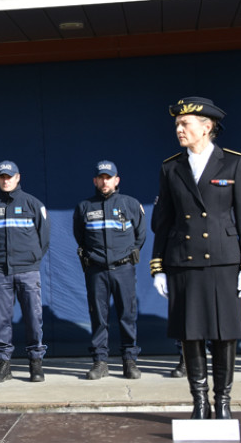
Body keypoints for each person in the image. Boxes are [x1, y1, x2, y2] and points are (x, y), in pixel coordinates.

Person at [150, 96, 241, 420]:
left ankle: (223, 402)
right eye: (177, 125)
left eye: (185, 124)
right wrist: (158, 266)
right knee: (191, 333)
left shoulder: (232, 163)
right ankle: (200, 403)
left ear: (206, 127)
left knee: (226, 333)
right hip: (183, 261)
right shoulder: (171, 167)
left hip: (225, 261)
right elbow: (163, 221)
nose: (179, 130)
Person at [0, 160, 50, 383]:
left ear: (18, 177)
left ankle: (35, 365)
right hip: (1, 271)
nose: (5, 180)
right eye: (2, 177)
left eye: (9, 176)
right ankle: (3, 365)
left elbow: (44, 238)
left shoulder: (33, 204)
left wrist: (32, 260)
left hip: (28, 271)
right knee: (1, 320)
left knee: (33, 318)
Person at [73, 160, 146, 380]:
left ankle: (129, 361)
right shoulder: (84, 207)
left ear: (117, 180)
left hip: (123, 269)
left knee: (127, 316)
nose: (105, 182)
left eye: (109, 177)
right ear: (95, 180)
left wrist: (127, 253)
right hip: (96, 271)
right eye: (101, 178)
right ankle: (100, 362)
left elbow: (140, 235)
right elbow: (80, 236)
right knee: (99, 317)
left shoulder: (131, 204)